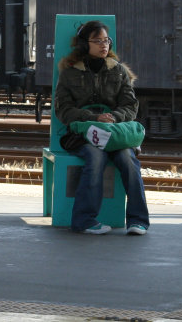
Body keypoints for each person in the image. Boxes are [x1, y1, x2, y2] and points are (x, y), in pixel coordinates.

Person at [54, 20, 150, 235]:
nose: (103, 45)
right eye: (96, 41)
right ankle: (84, 221)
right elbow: (63, 110)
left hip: (114, 133)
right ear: (83, 44)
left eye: (106, 40)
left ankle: (138, 220)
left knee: (128, 159)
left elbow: (130, 106)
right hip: (83, 134)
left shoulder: (119, 71)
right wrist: (94, 118)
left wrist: (113, 118)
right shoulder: (69, 73)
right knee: (95, 157)